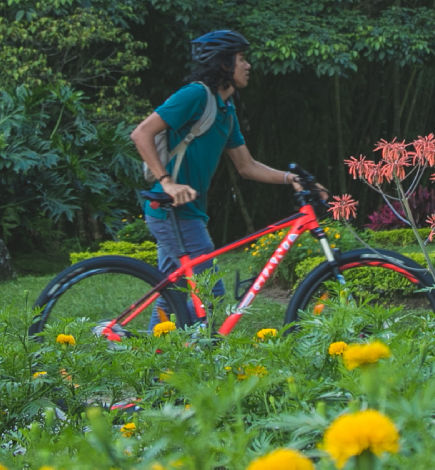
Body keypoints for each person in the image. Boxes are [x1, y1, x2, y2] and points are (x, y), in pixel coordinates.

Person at [131, 30, 316, 330]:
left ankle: (158, 365)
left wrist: (290, 178)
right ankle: (188, 356)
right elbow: (142, 133)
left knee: (171, 295)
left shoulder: (225, 111)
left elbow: (247, 165)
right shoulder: (196, 95)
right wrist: (166, 181)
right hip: (173, 210)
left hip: (185, 212)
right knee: (210, 293)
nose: (248, 65)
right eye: (242, 59)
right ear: (223, 65)